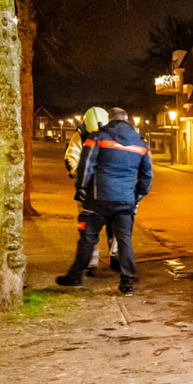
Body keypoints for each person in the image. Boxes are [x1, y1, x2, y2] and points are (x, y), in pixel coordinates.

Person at [57, 107, 153, 294]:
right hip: (125, 200)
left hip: (98, 199)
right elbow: (147, 176)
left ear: (109, 120)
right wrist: (136, 196)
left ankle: (76, 276)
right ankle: (127, 282)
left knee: (88, 237)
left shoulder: (98, 138)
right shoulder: (141, 142)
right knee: (125, 239)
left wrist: (82, 189)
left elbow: (85, 167)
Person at [64, 124, 118, 275]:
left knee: (113, 225)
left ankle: (115, 258)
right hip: (93, 189)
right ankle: (91, 263)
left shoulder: (84, 137)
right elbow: (70, 159)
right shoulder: (79, 137)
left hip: (107, 187)